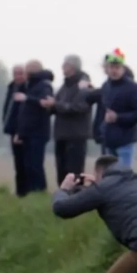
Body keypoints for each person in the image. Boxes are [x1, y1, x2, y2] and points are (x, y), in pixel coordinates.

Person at [41, 55, 93, 186]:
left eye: (66, 65)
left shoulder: (84, 85)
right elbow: (57, 105)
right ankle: (63, 197)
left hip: (76, 135)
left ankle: (77, 198)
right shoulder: (64, 86)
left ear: (74, 67)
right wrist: (49, 105)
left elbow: (80, 107)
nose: (63, 68)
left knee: (75, 171)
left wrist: (56, 105)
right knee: (61, 170)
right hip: (61, 134)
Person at [88, 49, 137, 168]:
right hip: (108, 141)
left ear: (123, 68)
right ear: (107, 68)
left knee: (124, 178)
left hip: (125, 141)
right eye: (111, 67)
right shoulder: (106, 87)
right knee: (109, 178)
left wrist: (118, 117)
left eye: (117, 67)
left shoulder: (133, 88)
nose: (114, 70)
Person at [14, 60, 54, 193]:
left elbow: (46, 103)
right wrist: (20, 132)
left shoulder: (44, 85)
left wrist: (27, 99)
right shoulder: (31, 86)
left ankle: (40, 191)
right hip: (28, 132)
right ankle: (32, 193)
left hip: (38, 132)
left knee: (36, 165)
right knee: (29, 166)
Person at [2, 64, 27, 197]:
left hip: (22, 132)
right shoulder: (11, 87)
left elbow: (23, 114)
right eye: (16, 73)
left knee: (25, 163)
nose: (18, 76)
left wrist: (20, 131)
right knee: (17, 163)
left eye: (21, 73)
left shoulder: (27, 89)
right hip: (12, 131)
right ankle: (19, 192)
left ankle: (27, 192)